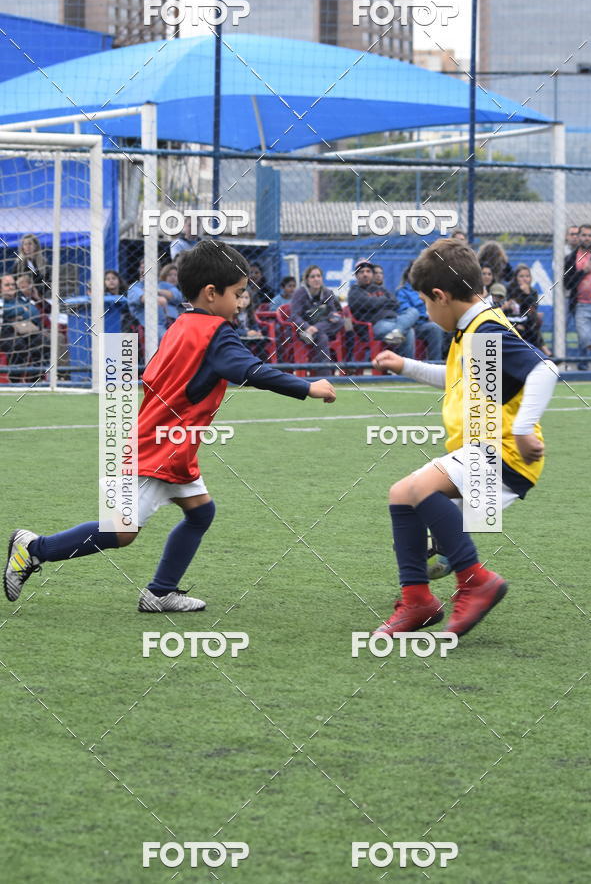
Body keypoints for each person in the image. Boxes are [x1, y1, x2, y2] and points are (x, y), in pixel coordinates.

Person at [3, 240, 336, 613]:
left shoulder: (183, 323)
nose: (243, 302)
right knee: (119, 531)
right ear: (212, 294)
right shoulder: (216, 332)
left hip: (171, 444)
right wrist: (308, 387)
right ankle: (33, 548)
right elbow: (250, 370)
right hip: (157, 450)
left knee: (200, 512)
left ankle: (161, 591)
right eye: (239, 294)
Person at [371, 237, 558, 639]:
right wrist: (406, 365)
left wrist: (525, 428)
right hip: (486, 450)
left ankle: (475, 581)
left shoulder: (482, 331)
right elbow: (456, 377)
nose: (424, 310)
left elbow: (545, 371)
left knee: (420, 489)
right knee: (401, 493)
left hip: (505, 454)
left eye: (424, 302)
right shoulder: (469, 328)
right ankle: (418, 599)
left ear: (440, 296)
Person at [347, 259, 416, 355]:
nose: (365, 274)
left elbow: (395, 303)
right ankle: (402, 366)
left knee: (412, 311)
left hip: (394, 320)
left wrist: (376, 302)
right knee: (409, 331)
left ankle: (398, 331)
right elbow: (368, 303)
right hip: (375, 325)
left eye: (368, 271)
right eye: (361, 272)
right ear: (356, 275)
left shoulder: (380, 288)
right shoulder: (354, 292)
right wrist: (383, 300)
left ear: (372, 274)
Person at [290, 265, 344, 372]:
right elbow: (294, 316)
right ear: (307, 280)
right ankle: (326, 375)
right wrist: (307, 327)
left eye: (319, 276)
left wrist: (317, 327)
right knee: (322, 337)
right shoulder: (299, 293)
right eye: (313, 277)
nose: (316, 279)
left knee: (341, 321)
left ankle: (315, 331)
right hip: (304, 329)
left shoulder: (327, 292)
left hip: (322, 326)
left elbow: (333, 312)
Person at [564, 224, 591, 363]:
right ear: (578, 237)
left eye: (590, 235)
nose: (586, 238)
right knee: (588, 341)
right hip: (582, 306)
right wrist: (583, 271)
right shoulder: (571, 258)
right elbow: (568, 284)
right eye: (584, 235)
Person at [396, 264, 443, 360]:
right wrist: (425, 316)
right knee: (431, 328)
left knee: (438, 328)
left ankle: (436, 364)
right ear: (408, 274)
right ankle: (410, 367)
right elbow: (405, 311)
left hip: (427, 324)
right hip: (413, 325)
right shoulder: (402, 291)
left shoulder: (427, 290)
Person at [127, 260, 170, 340]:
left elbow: (176, 296)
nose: (143, 271)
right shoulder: (134, 287)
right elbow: (145, 299)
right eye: (142, 268)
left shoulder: (163, 285)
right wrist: (158, 298)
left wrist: (158, 292)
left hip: (165, 324)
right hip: (146, 327)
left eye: (147, 269)